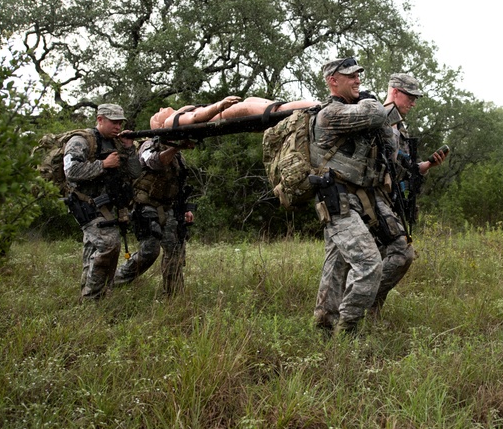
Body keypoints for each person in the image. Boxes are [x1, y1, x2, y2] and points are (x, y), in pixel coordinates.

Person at [309, 56, 406, 336]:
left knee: (338, 263)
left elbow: (389, 142)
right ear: (332, 81)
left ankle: (324, 325)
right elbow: (377, 114)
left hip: (363, 198)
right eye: (350, 76)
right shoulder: (330, 114)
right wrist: (370, 98)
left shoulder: (356, 111)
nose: (357, 80)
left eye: (358, 75)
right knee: (368, 264)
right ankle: (346, 331)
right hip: (338, 199)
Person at [371, 73, 448, 317]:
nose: (413, 103)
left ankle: (370, 312)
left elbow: (403, 167)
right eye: (410, 97)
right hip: (371, 200)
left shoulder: (399, 127)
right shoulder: (377, 119)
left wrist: (425, 166)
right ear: (394, 92)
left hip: (392, 200)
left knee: (383, 257)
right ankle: (362, 301)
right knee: (401, 254)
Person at [63, 103, 140, 301]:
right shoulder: (81, 141)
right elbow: (71, 171)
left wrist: (130, 149)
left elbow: (135, 173)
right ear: (100, 120)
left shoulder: (117, 143)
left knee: (92, 253)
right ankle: (93, 298)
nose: (117, 126)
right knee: (109, 244)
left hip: (107, 207)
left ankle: (89, 300)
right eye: (113, 122)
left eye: (120, 122)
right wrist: (103, 164)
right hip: (87, 205)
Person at [111, 134, 196, 296]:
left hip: (168, 207)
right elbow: (154, 162)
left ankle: (174, 295)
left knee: (175, 250)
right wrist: (177, 146)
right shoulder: (148, 145)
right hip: (146, 207)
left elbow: (178, 183)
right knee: (150, 250)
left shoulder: (178, 155)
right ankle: (114, 282)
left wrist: (186, 208)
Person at [149, 96, 320, 130]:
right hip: (225, 113)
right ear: (160, 125)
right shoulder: (171, 122)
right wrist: (219, 106)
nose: (159, 110)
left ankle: (317, 104)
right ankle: (317, 105)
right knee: (276, 110)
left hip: (226, 110)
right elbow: (195, 117)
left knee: (275, 106)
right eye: (156, 116)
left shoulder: (176, 113)